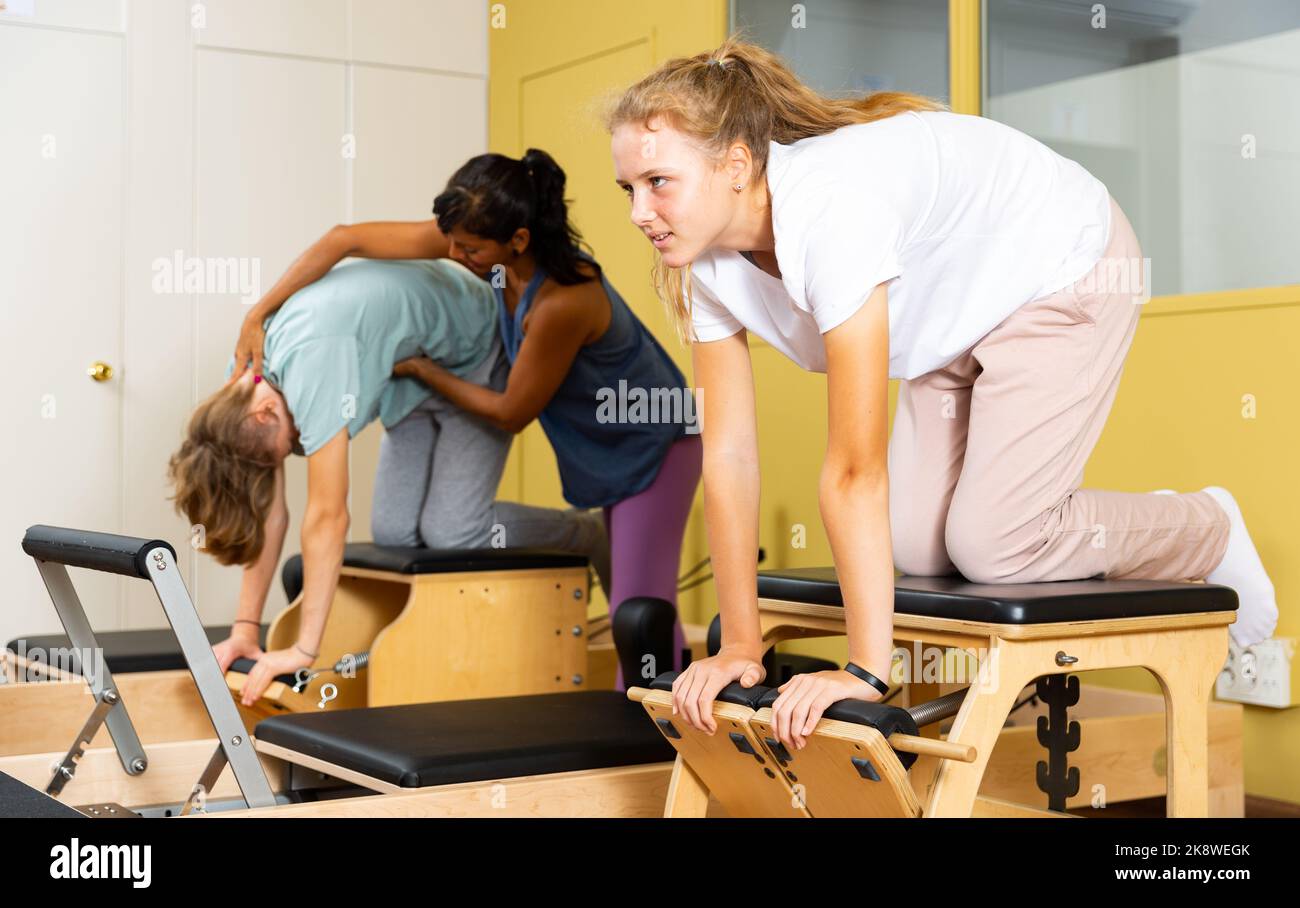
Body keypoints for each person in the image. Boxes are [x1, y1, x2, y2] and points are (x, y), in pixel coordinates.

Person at [606, 36, 1278, 750]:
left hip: (1063, 264)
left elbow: (855, 470)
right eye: (628, 189)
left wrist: (866, 669)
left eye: (658, 182)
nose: (639, 212)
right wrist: (741, 644)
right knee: (922, 547)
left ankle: (1207, 526)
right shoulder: (704, 260)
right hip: (955, 315)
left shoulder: (830, 212)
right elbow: (731, 457)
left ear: (735, 164)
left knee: (995, 547)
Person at [230, 150, 701, 688]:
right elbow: (344, 239)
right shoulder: (479, 245)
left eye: (469, 248)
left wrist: (420, 369)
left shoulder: (564, 301)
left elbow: (511, 412)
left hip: (656, 440)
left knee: (637, 610)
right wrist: (257, 312)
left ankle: (649, 740)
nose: (453, 255)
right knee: (628, 604)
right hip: (595, 446)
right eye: (453, 241)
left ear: (517, 241)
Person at [170, 257, 608, 705]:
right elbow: (271, 512)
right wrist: (245, 630)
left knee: (454, 532)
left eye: (281, 449)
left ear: (264, 414)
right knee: (395, 532)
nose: (289, 453)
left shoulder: (312, 368)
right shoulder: (242, 386)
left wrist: (304, 650)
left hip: (476, 353)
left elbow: (328, 516)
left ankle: (587, 532)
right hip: (411, 373)